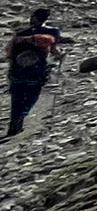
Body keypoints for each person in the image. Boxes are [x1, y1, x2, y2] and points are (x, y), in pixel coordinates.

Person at [7, 8, 65, 137]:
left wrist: (11, 70)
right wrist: (61, 55)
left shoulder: (21, 33)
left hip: (17, 70)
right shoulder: (52, 32)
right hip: (37, 70)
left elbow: (10, 54)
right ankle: (21, 117)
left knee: (16, 98)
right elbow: (54, 51)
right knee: (32, 96)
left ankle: (14, 124)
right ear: (46, 18)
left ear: (33, 17)